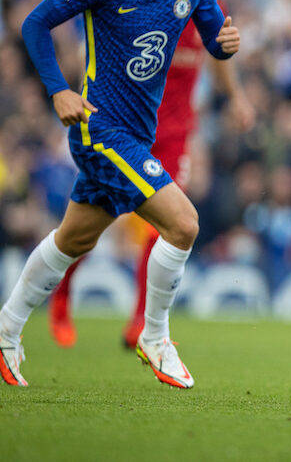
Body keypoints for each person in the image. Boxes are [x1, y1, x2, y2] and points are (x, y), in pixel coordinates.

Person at [0, 0, 241, 389]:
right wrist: (57, 90)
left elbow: (213, 41)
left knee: (73, 238)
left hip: (139, 134)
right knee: (183, 225)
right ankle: (155, 337)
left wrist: (226, 46)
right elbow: (35, 24)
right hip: (99, 129)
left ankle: (4, 328)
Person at [47, 22, 255, 350]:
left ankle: (141, 319)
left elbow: (220, 59)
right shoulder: (148, 0)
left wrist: (236, 98)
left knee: (166, 225)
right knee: (91, 222)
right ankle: (61, 294)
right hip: (127, 132)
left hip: (174, 137)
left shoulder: (208, 7)